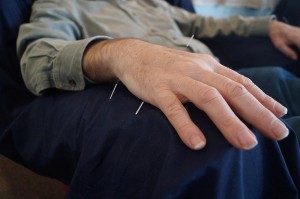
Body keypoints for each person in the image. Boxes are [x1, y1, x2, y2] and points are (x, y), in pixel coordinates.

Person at [1, 0, 299, 198]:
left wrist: (270, 26)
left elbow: (205, 24)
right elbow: (37, 58)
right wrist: (120, 53)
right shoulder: (64, 3)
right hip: (163, 88)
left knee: (279, 79)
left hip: (216, 72)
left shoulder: (153, 3)